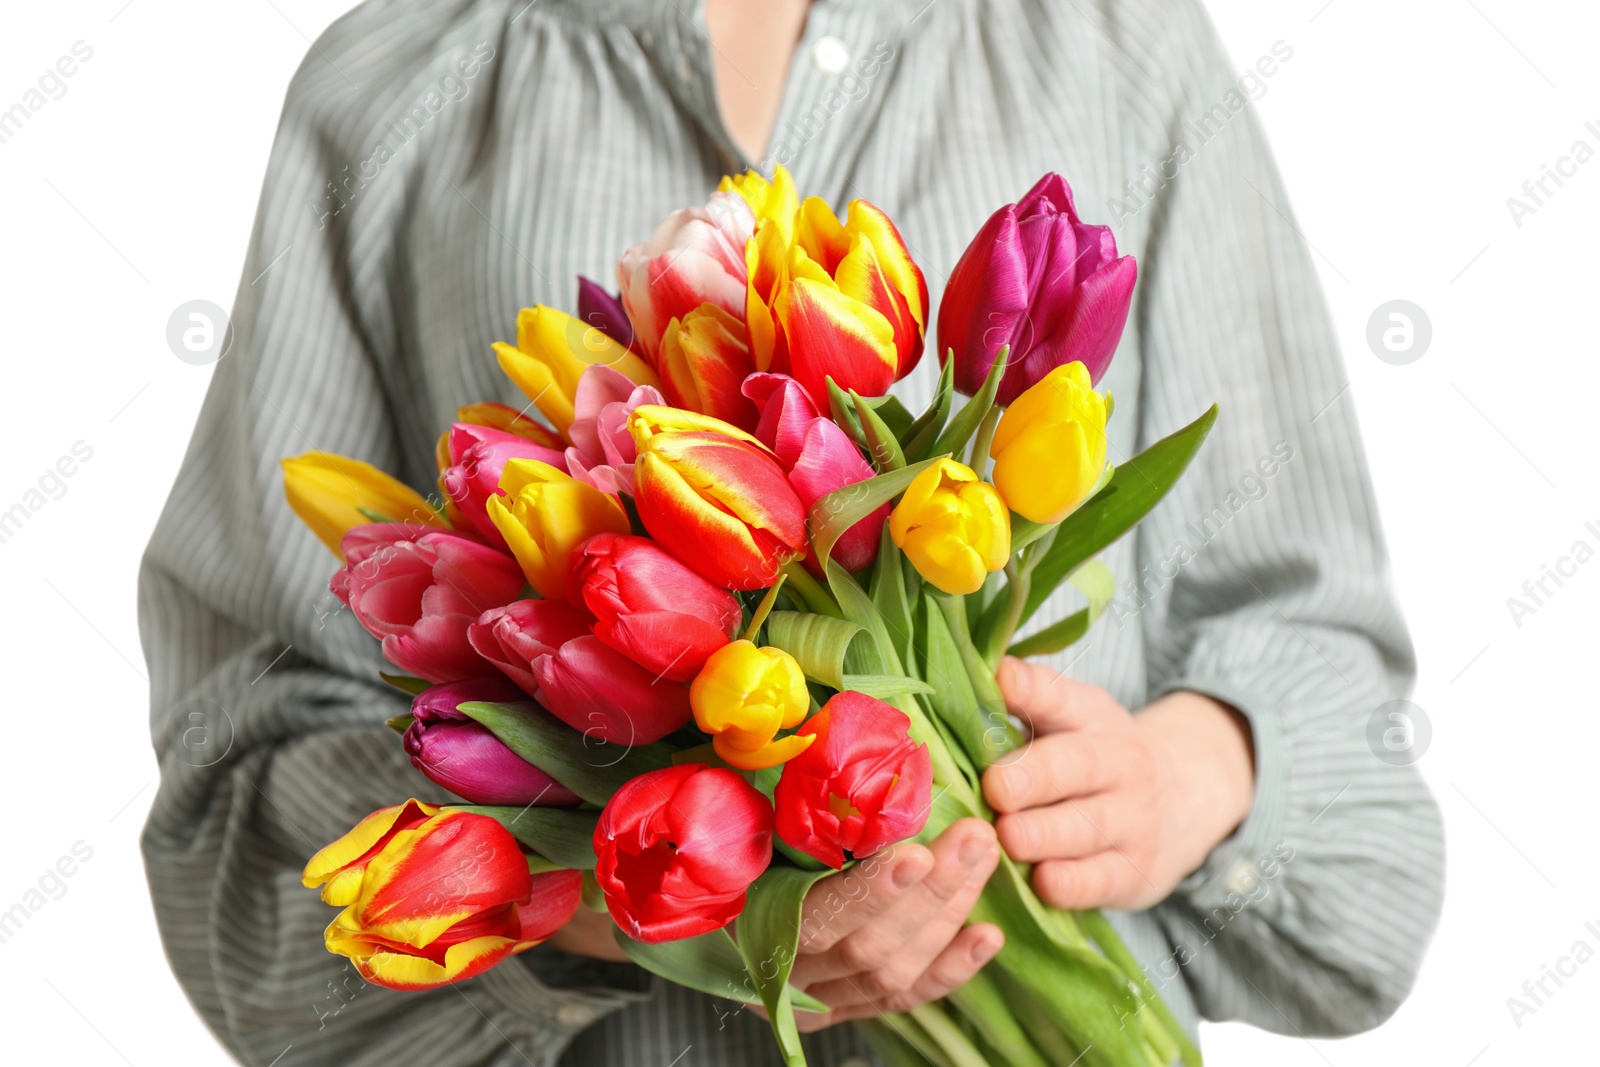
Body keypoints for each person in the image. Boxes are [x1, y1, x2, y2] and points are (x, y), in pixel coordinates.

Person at [138, 0, 1444, 1064]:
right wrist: (625, 905)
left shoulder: (1121, 46)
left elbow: (1330, 704)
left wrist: (1197, 777)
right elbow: (230, 808)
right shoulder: (393, 84)